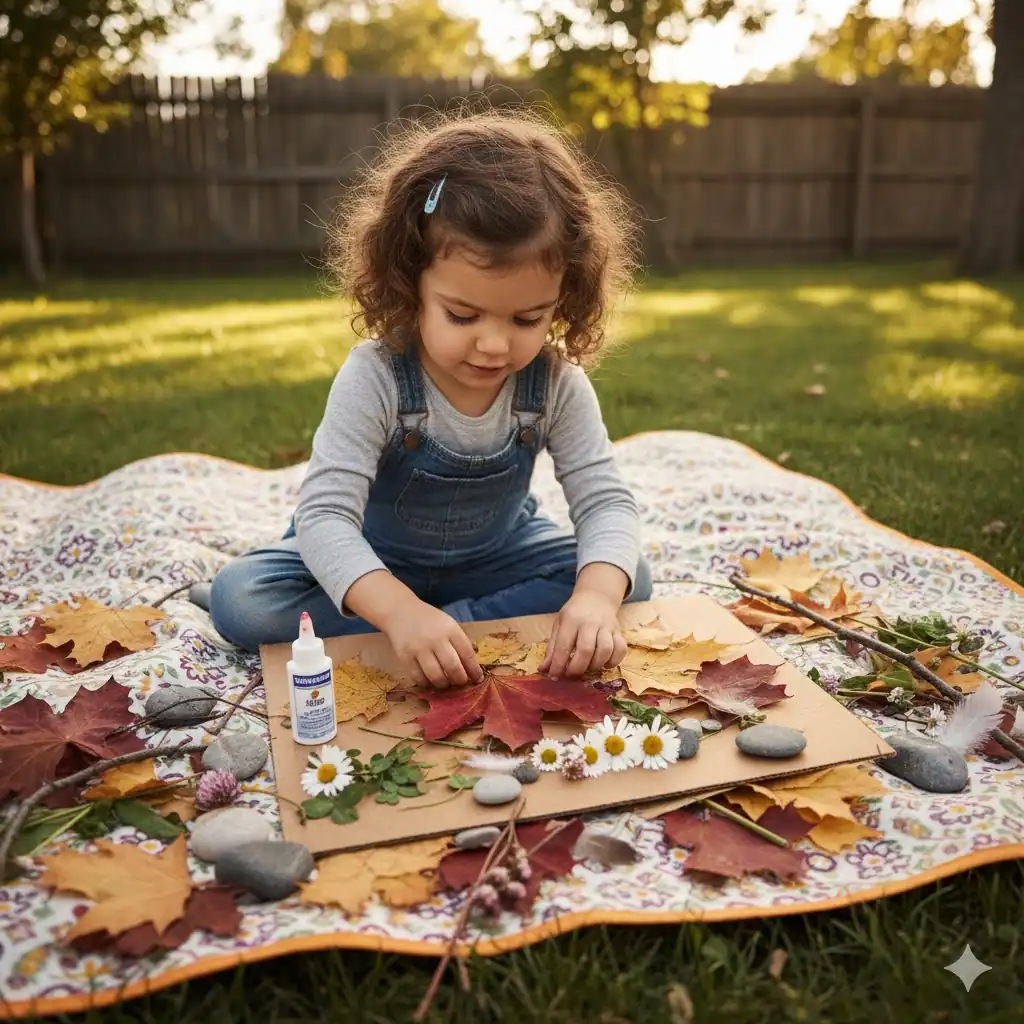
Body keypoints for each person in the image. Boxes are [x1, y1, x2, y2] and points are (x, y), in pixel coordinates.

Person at [199, 107, 652, 687]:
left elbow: (606, 503)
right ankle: (427, 630)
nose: (493, 344)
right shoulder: (378, 376)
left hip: (496, 556)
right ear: (409, 282)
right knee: (242, 601)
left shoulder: (556, 383)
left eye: (527, 317)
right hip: (374, 563)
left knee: (625, 575)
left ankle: (450, 634)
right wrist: (399, 612)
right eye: (462, 315)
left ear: (563, 298)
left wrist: (591, 599)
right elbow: (324, 517)